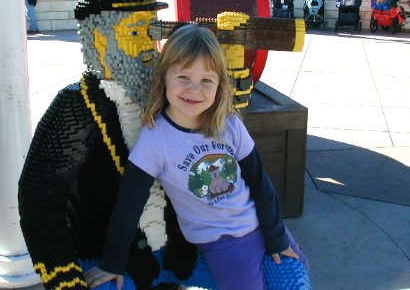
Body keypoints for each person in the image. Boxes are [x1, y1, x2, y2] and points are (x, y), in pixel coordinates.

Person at [84, 24, 300, 290]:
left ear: (220, 83)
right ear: (164, 78)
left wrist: (276, 236)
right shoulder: (156, 139)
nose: (194, 89)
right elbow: (129, 205)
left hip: (261, 224)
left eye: (206, 80)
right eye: (184, 77)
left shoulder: (228, 123)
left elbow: (259, 183)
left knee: (298, 274)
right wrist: (112, 262)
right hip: (225, 242)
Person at [18, 0, 184, 290]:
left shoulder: (169, 92)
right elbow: (39, 196)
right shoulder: (75, 106)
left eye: (152, 32)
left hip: (176, 254)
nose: (149, 45)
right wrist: (64, 275)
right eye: (135, 34)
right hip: (100, 260)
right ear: (98, 38)